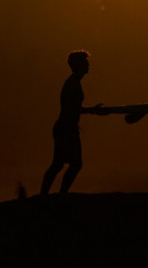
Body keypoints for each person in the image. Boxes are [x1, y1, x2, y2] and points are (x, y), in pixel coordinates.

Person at [40, 50, 104, 195]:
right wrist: (92, 111)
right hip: (66, 128)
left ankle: (49, 194)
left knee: (62, 164)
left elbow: (75, 109)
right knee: (68, 164)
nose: (88, 65)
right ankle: (55, 194)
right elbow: (72, 109)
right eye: (86, 62)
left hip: (67, 127)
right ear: (80, 65)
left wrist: (92, 110)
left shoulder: (74, 82)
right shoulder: (73, 84)